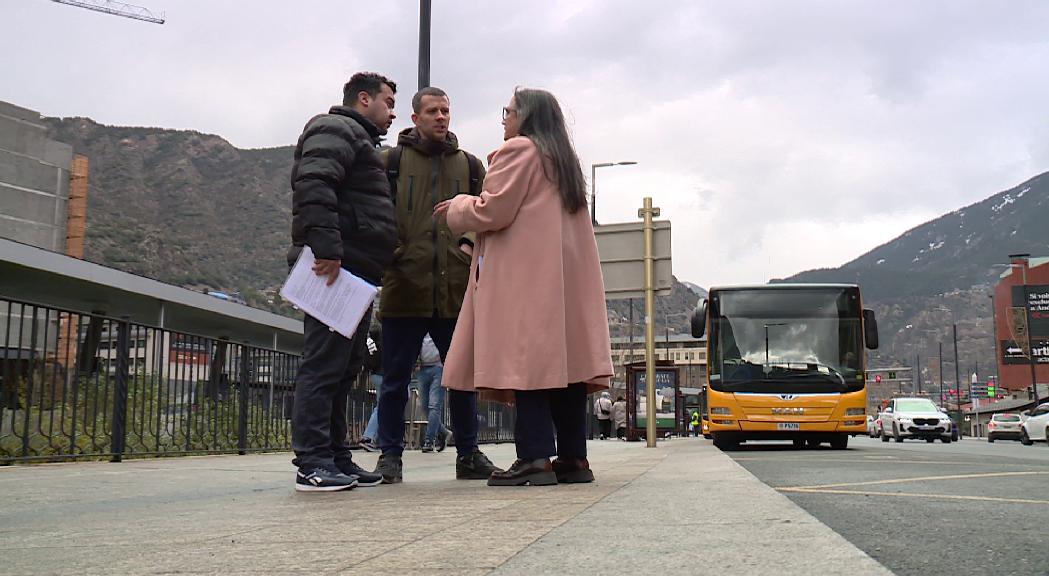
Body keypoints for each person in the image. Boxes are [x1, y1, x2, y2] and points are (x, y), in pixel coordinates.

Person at [435, 87, 613, 487]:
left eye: (509, 111)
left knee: (526, 363)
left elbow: (494, 209)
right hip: (563, 282)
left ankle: (533, 457)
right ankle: (573, 458)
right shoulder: (564, 161)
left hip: (526, 280)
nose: (504, 119)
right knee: (566, 368)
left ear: (526, 117)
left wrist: (460, 206)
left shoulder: (519, 152)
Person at [372, 86, 501, 484]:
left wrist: (466, 246)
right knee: (394, 381)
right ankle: (389, 457)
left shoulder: (471, 165)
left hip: (455, 292)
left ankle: (468, 454)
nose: (441, 117)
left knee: (463, 380)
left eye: (446, 111)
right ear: (416, 118)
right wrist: (390, 248)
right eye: (432, 111)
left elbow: (488, 214)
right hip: (404, 288)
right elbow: (372, 210)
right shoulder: (390, 161)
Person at [288, 72, 398, 492]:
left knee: (344, 364)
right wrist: (328, 248)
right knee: (323, 364)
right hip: (334, 267)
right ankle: (312, 462)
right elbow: (315, 185)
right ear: (363, 98)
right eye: (387, 103)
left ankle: (335, 456)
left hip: (354, 269)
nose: (391, 113)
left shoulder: (358, 139)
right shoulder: (335, 127)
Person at [417, 333, 452, 452]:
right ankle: (443, 432)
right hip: (422, 368)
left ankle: (429, 441)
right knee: (424, 406)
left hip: (439, 368)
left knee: (434, 405)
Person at [358, 321, 383, 452]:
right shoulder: (384, 343)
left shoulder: (370, 344)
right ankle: (369, 437)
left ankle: (377, 438)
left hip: (375, 375)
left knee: (384, 407)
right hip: (384, 375)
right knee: (382, 408)